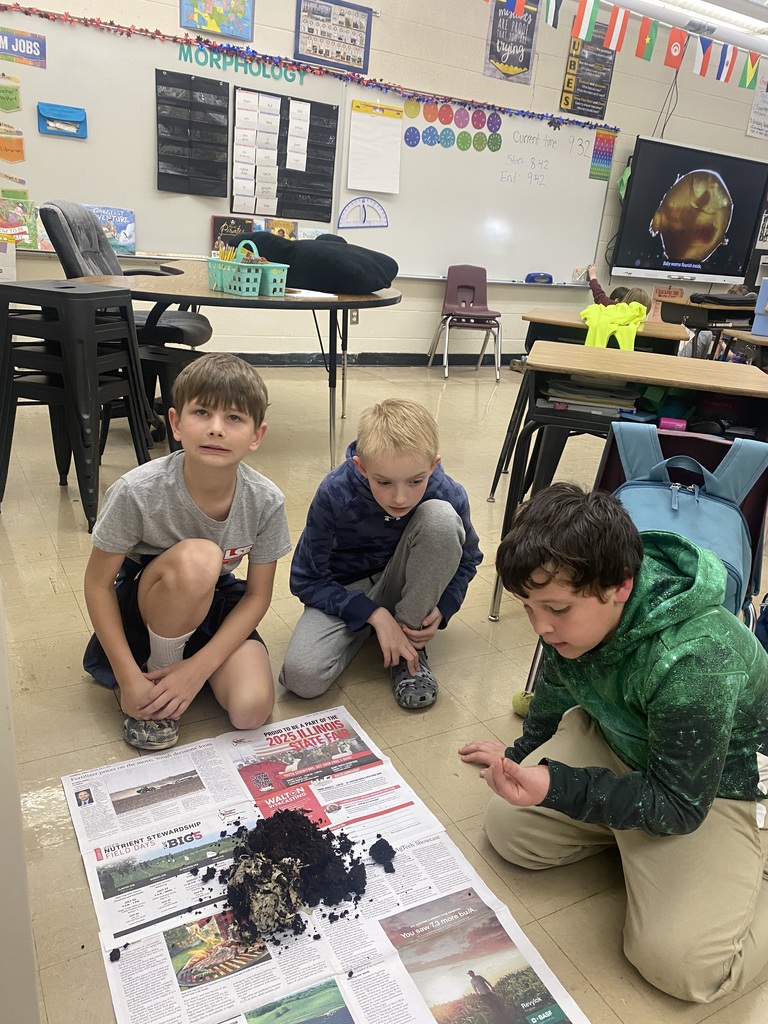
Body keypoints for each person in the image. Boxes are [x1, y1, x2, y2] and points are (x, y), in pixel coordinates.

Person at [459, 483, 768, 1004]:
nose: (541, 626)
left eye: (556, 609)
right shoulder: (577, 608)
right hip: (627, 744)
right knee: (511, 831)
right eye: (528, 607)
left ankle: (739, 861)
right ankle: (639, 846)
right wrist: (519, 758)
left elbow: (679, 805)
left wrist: (559, 786)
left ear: (621, 585)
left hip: (719, 786)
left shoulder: (695, 658)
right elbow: (556, 691)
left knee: (681, 966)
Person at [83, 353, 291, 751]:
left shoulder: (266, 501)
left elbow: (257, 596)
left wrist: (199, 668)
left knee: (251, 710)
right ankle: (158, 670)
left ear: (256, 435)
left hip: (215, 602)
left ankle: (184, 666)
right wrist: (128, 678)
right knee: (201, 558)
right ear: (176, 423)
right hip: (148, 603)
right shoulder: (136, 491)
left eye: (234, 417)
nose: (216, 428)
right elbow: (97, 584)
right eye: (202, 413)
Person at [280, 398, 482, 709]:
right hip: (347, 589)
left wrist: (445, 606)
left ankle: (408, 644)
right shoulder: (334, 492)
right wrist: (373, 614)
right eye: (384, 482)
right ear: (361, 467)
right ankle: (376, 627)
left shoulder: (448, 492)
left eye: (416, 481)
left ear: (433, 465)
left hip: (407, 586)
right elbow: (306, 579)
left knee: (441, 519)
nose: (400, 497)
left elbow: (468, 558)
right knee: (302, 678)